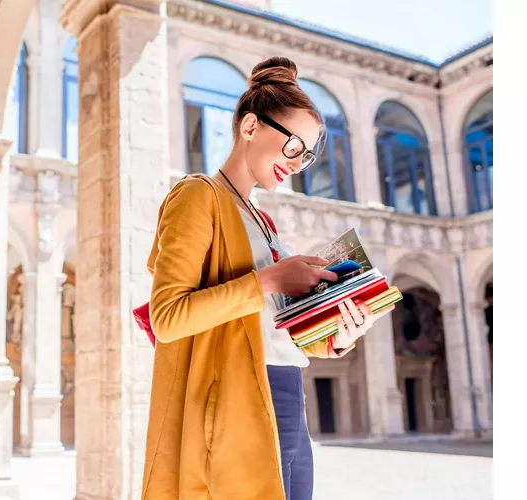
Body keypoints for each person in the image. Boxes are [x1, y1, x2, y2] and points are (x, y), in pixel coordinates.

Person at [140, 57, 394, 500]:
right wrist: (271, 279)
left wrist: (338, 334)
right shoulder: (198, 196)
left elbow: (275, 331)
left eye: (309, 155)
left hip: (286, 392)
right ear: (251, 126)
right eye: (294, 145)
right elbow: (168, 317)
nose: (299, 164)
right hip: (236, 397)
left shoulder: (265, 222)